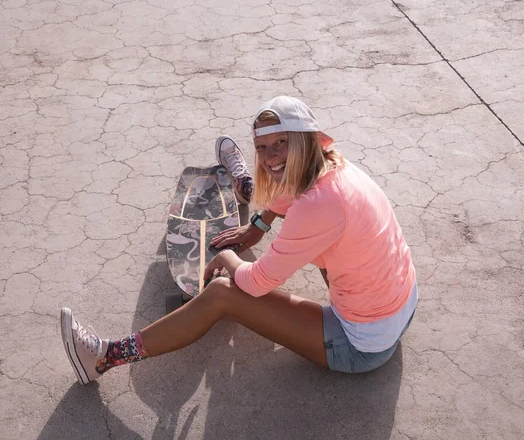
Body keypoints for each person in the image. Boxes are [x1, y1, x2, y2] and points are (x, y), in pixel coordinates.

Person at [60, 95, 418, 385]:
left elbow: (257, 283)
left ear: (308, 140)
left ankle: (104, 358)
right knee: (308, 227)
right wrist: (259, 225)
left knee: (222, 295)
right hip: (401, 307)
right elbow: (293, 190)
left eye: (281, 142)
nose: (270, 156)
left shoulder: (318, 206)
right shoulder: (337, 167)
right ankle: (245, 187)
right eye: (261, 148)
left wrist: (229, 257)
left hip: (362, 345)